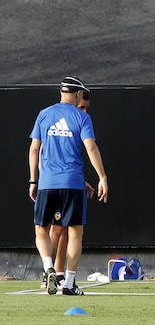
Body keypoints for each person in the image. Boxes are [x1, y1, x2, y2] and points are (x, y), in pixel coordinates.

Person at [29, 76, 109, 296]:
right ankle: (70, 283)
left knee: (41, 229)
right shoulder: (81, 117)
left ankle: (48, 269)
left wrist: (33, 179)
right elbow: (90, 147)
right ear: (76, 94)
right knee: (75, 233)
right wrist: (102, 176)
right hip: (72, 183)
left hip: (46, 183)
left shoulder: (44, 114)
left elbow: (34, 149)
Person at [43, 91, 95, 289]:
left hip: (69, 181)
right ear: (75, 97)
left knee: (66, 230)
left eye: (85, 108)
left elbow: (69, 160)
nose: (83, 110)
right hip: (55, 182)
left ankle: (58, 274)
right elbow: (41, 154)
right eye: (81, 106)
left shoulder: (78, 121)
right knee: (57, 229)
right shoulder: (57, 119)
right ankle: (48, 274)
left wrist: (83, 182)